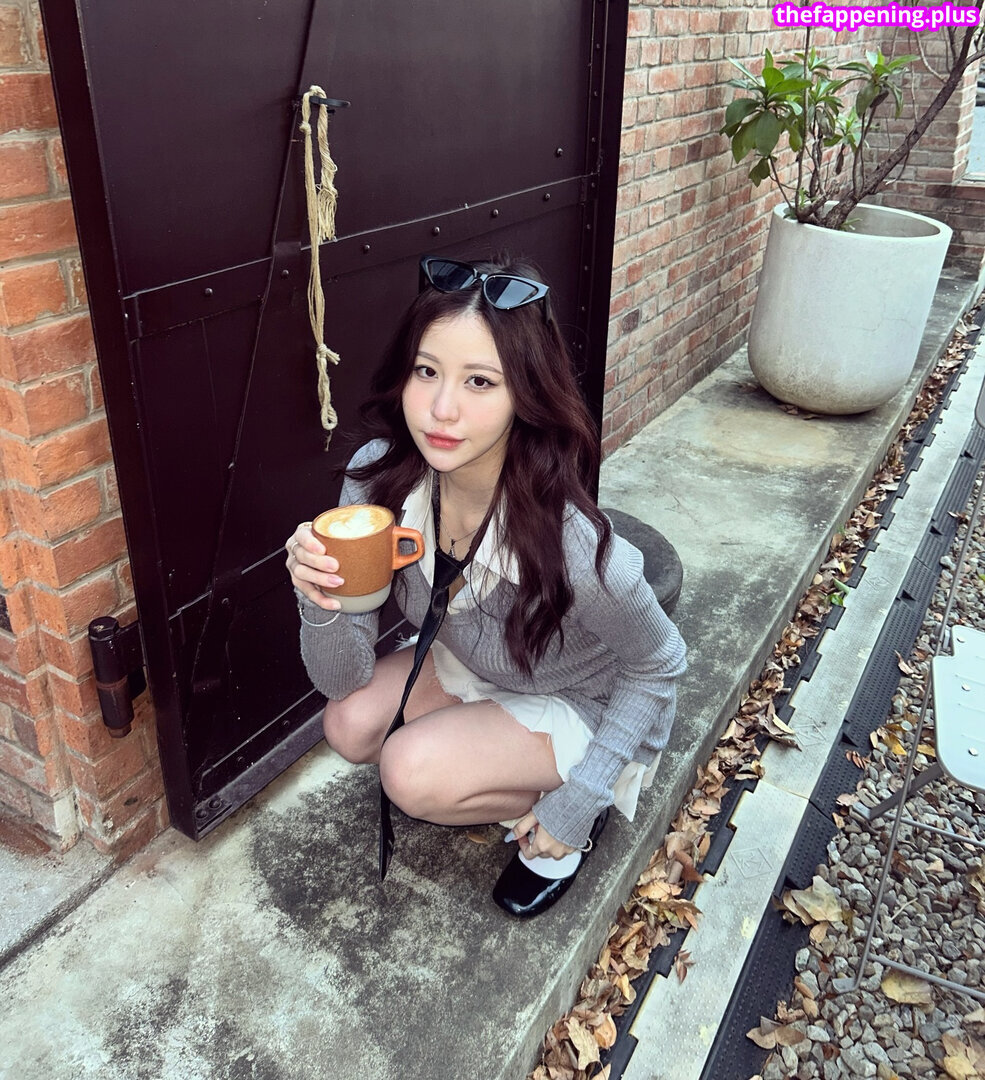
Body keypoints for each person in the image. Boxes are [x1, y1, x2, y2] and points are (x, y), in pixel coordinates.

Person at [285, 254, 686, 917]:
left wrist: (578, 802)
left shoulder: (573, 544)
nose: (441, 409)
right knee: (348, 724)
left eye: (479, 381)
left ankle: (572, 797)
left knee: (409, 772)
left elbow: (658, 664)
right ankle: (497, 757)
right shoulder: (378, 480)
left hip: (580, 697)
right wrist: (318, 597)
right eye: (427, 371)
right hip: (478, 665)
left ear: (524, 394)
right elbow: (340, 676)